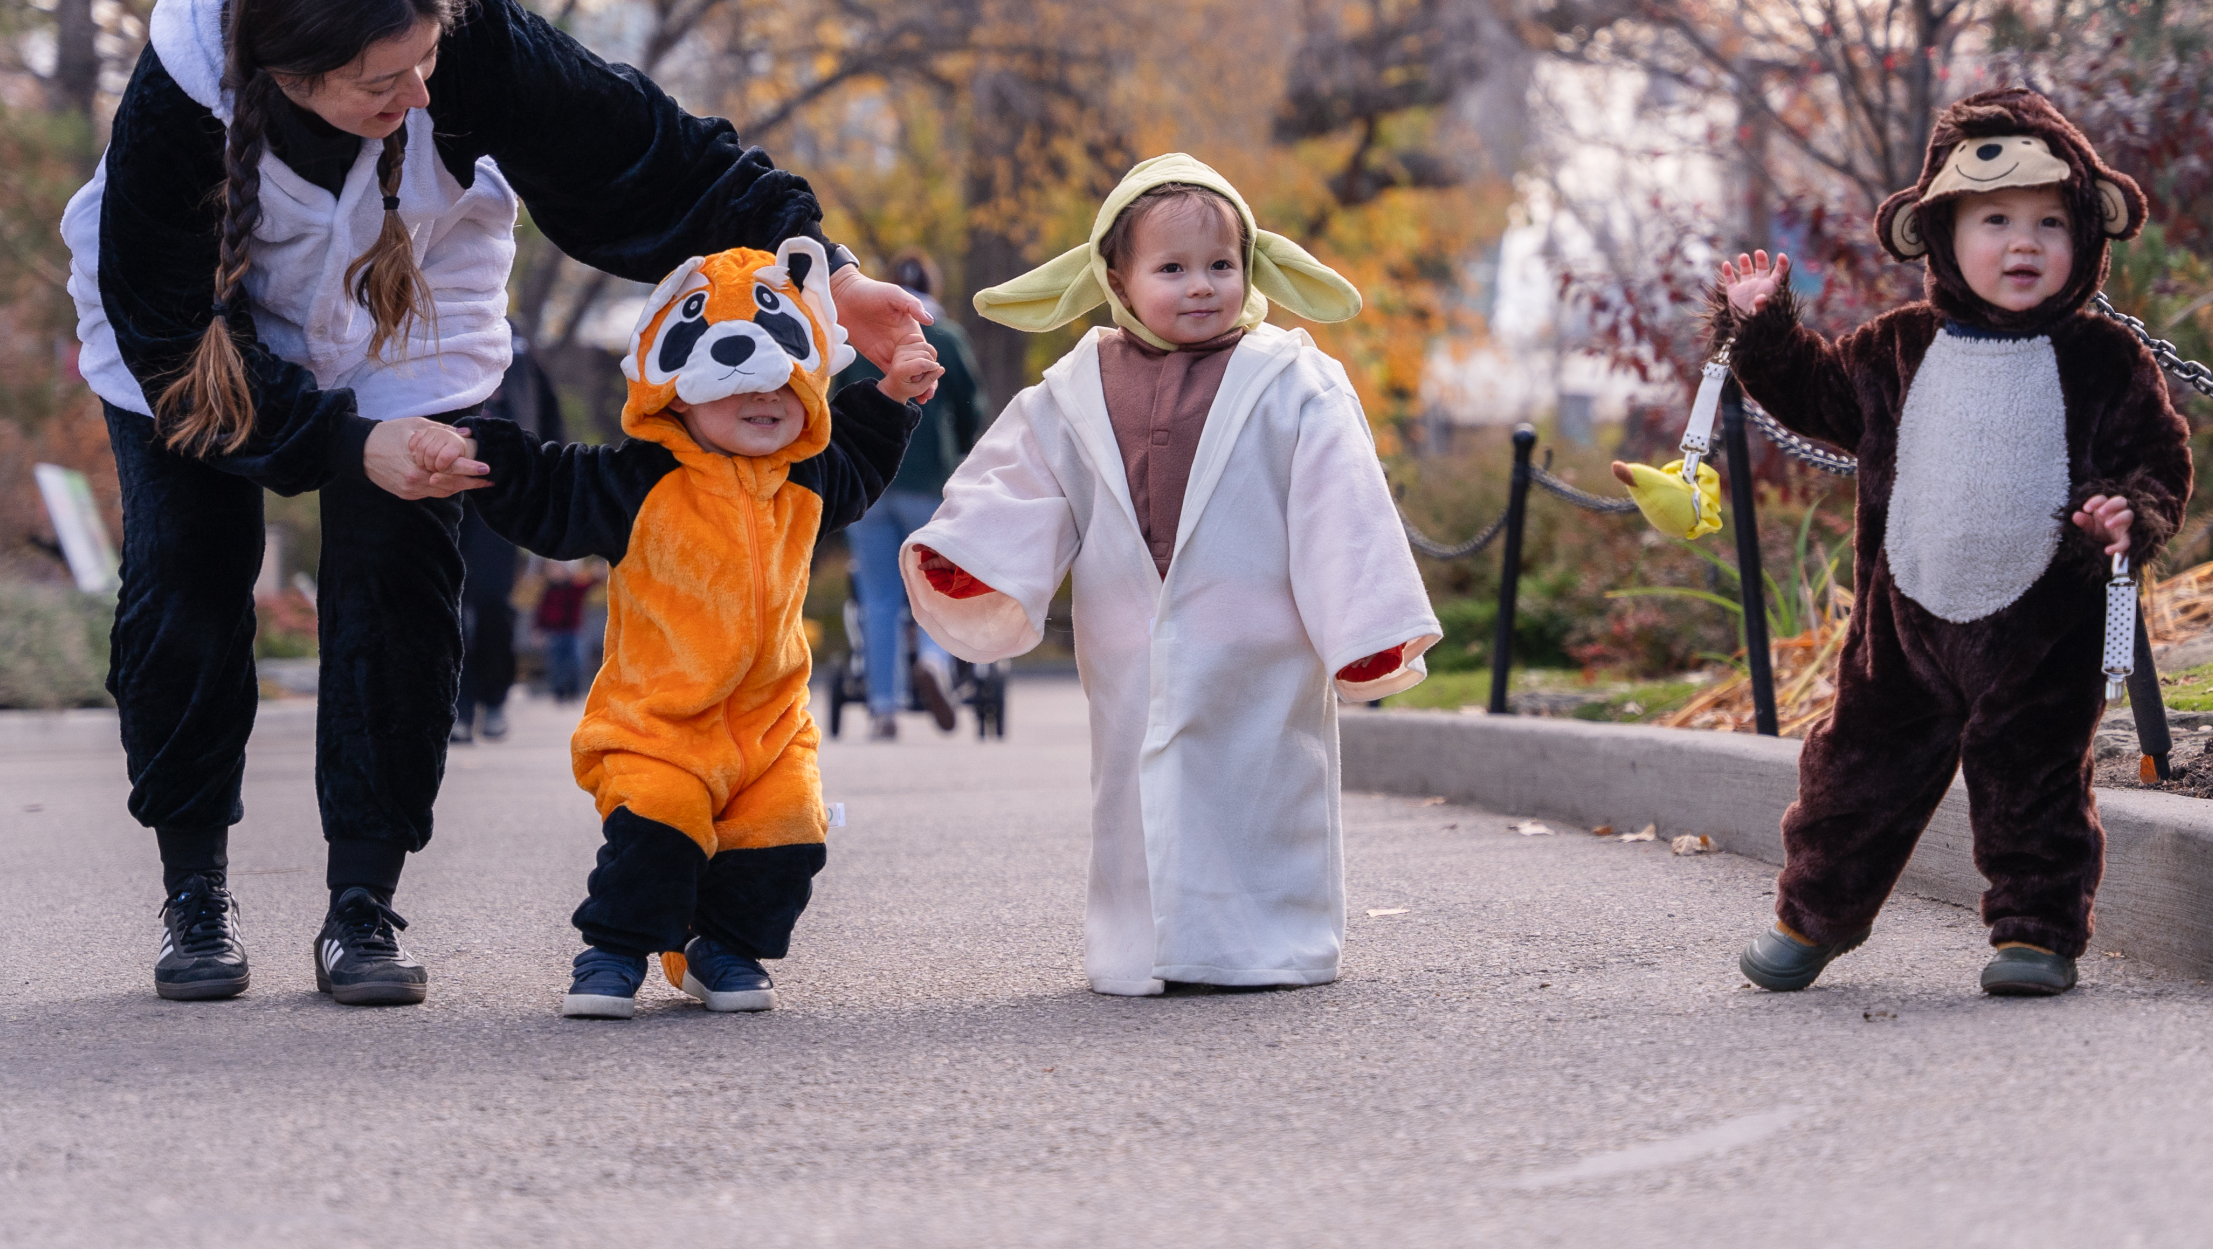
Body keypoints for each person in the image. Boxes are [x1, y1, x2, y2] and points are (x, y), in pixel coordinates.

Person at [61, 0, 931, 1008]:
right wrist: (332, 444)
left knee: (404, 590)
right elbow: (169, 331)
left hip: (403, 308)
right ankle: (194, 893)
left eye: (425, 66)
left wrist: (828, 271)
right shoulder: (179, 108)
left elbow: (643, 149)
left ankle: (361, 905)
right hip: (196, 352)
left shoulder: (451, 23)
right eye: (384, 83)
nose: (419, 95)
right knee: (187, 582)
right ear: (292, 74)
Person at [894, 154, 1441, 996]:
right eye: (1172, 268)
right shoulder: (1074, 389)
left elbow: (1345, 508)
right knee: (1137, 790)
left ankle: (1268, 942)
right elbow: (1019, 480)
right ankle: (1143, 944)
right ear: (1115, 277)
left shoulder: (1294, 381)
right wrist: (969, 557)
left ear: (1251, 268)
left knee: (1261, 788)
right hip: (1128, 640)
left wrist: (1366, 628)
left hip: (1260, 639)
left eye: (1222, 265)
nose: (1201, 287)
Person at [1693, 89, 2192, 999]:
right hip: (1905, 624)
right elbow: (1818, 398)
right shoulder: (1896, 348)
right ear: (1941, 233)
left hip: (2043, 630)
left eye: (2050, 221)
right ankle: (1812, 918)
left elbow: (2152, 459)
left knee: (2035, 784)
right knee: (1853, 776)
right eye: (1995, 219)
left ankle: (2037, 934)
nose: (2024, 242)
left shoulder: (2105, 358)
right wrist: (1762, 329)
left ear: (2088, 233)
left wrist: (2126, 513)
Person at [406, 238, 935, 1016]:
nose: (764, 405)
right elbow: (555, 487)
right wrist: (483, 449)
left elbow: (857, 458)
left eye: (783, 392)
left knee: (787, 836)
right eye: (736, 393)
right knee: (659, 832)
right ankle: (613, 951)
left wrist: (893, 396)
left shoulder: (806, 479)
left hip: (768, 726)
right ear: (677, 396)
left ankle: (719, 947)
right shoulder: (641, 480)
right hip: (658, 722)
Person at [835, 248, 985, 738]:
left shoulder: (859, 342)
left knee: (878, 597)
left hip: (868, 485)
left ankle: (882, 705)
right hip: (927, 484)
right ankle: (935, 666)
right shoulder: (946, 337)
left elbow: (837, 406)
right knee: (931, 587)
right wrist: (960, 453)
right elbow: (968, 408)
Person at [452, 326, 562, 744]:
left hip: (502, 489)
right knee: (448, 601)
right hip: (440, 484)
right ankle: (456, 707)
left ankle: (494, 696)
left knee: (493, 600)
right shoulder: (433, 322)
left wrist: (551, 485)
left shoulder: (518, 338)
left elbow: (548, 415)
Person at [533, 559, 601, 704]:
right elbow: (541, 613)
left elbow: (590, 584)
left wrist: (598, 573)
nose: (554, 572)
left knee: (576, 661)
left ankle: (574, 690)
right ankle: (559, 692)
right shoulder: (548, 591)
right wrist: (538, 630)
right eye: (552, 570)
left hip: (573, 632)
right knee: (556, 663)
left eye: (557, 569)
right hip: (554, 632)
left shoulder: (574, 588)